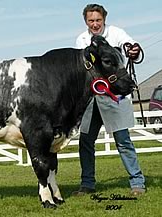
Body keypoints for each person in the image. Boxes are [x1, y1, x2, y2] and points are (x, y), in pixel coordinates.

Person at [72, 3, 146, 196]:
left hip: (114, 98)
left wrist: (134, 50)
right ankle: (87, 185)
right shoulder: (81, 40)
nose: (95, 24)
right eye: (91, 20)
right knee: (86, 142)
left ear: (104, 19)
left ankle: (137, 182)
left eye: (98, 20)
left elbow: (132, 49)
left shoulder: (117, 33)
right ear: (86, 21)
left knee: (123, 141)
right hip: (92, 100)